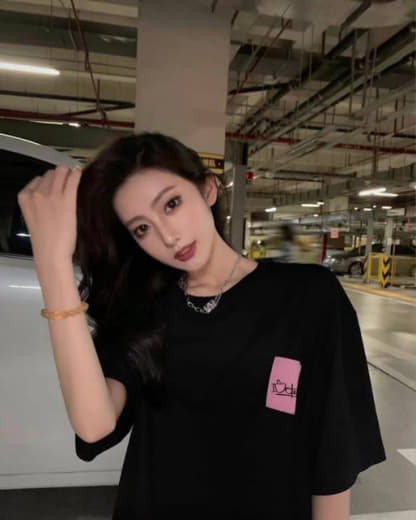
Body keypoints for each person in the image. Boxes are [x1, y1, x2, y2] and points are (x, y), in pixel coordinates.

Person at [17, 132, 386, 520]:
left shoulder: (308, 296)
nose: (168, 236)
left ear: (208, 189)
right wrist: (52, 265)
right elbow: (94, 425)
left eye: (171, 204)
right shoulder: (142, 309)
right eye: (142, 228)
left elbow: (333, 454)